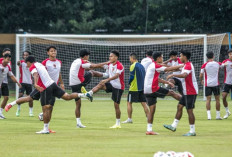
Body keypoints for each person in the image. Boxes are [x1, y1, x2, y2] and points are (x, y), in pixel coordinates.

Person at [25, 55, 89, 134]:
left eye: (26, 64)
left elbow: (35, 74)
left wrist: (35, 84)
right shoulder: (40, 64)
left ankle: (45, 129)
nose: (26, 66)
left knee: (46, 108)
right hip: (53, 84)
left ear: (28, 62)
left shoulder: (32, 66)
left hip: (45, 87)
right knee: (67, 97)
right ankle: (84, 95)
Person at [144, 52, 183, 135]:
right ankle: (185, 101)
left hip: (147, 90)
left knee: (152, 109)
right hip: (152, 89)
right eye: (162, 57)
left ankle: (149, 130)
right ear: (158, 58)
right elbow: (168, 69)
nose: (162, 58)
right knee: (172, 92)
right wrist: (180, 65)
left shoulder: (152, 65)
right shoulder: (156, 65)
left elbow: (156, 78)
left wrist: (167, 82)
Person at [69, 49, 109, 128]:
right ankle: (107, 75)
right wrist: (107, 63)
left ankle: (78, 123)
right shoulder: (82, 62)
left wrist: (103, 66)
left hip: (72, 84)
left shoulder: (77, 61)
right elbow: (93, 66)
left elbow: (91, 65)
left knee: (78, 104)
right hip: (79, 83)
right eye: (88, 56)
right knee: (92, 72)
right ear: (86, 56)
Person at [86, 50, 124, 129]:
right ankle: (89, 94)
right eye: (109, 56)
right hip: (111, 84)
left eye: (111, 56)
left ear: (116, 57)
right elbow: (98, 65)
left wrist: (106, 80)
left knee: (116, 105)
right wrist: (89, 63)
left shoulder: (119, 65)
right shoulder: (109, 64)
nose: (109, 57)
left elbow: (116, 76)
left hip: (118, 87)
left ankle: (118, 124)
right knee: (101, 84)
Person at [164, 49, 198, 136]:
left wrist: (173, 74)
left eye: (181, 55)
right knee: (179, 106)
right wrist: (170, 70)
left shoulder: (188, 65)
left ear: (185, 57)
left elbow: (184, 75)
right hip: (187, 91)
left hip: (191, 91)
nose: (180, 57)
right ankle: (173, 126)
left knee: (189, 110)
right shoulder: (185, 65)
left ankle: (192, 131)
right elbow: (179, 69)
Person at [122, 53, 149, 124]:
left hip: (134, 88)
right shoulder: (142, 66)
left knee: (129, 102)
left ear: (132, 58)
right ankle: (149, 119)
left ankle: (129, 119)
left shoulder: (133, 65)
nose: (129, 60)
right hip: (142, 88)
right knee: (144, 103)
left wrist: (129, 83)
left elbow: (131, 77)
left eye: (130, 58)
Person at [199, 51, 222, 120]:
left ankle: (209, 116)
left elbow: (201, 75)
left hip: (208, 84)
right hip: (216, 84)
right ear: (213, 56)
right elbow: (224, 65)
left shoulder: (204, 65)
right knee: (217, 99)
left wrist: (201, 80)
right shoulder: (218, 64)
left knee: (208, 100)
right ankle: (218, 116)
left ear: (207, 57)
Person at [0, 54, 21, 119]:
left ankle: (0, 112)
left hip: (3, 83)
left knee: (6, 97)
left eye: (9, 60)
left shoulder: (8, 67)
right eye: (7, 59)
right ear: (4, 58)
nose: (8, 61)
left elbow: (11, 76)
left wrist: (17, 83)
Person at [16, 51, 34, 117]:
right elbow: (18, 63)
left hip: (29, 82)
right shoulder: (21, 62)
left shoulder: (32, 64)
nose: (25, 56)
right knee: (20, 95)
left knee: (30, 98)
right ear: (23, 56)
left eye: (27, 55)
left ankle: (31, 111)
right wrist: (18, 62)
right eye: (24, 55)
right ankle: (18, 109)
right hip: (22, 82)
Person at [0, 48, 12, 118]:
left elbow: (10, 73)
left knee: (6, 97)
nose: (8, 54)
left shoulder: (9, 62)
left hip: (5, 82)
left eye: (9, 53)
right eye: (6, 53)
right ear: (3, 54)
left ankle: (0, 112)